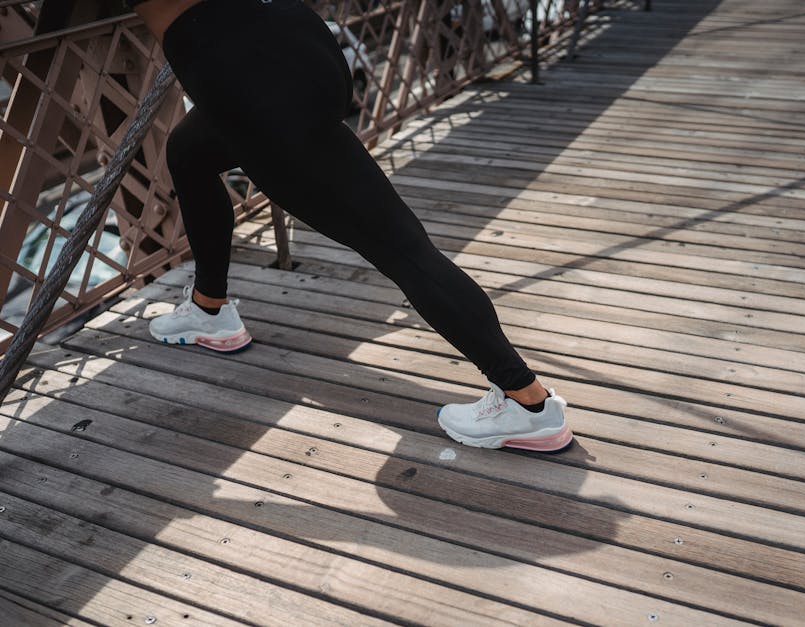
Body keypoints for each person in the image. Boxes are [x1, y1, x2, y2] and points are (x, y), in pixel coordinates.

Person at [131, 0, 572, 452]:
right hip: (287, 37)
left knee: (401, 249)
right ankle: (209, 308)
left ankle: (528, 403)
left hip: (247, 72)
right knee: (188, 152)